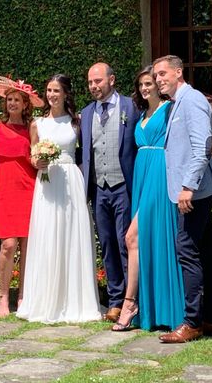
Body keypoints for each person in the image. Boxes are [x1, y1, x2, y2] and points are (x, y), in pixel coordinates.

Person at [152, 55, 212, 343]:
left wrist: (187, 187)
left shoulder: (192, 99)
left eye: (163, 74)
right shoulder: (176, 103)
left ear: (178, 72)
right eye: (156, 75)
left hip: (194, 191)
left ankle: (192, 323)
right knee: (205, 251)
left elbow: (202, 147)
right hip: (194, 189)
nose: (159, 79)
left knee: (187, 250)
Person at [16, 74, 102, 324]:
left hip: (71, 181)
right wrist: (36, 161)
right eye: (48, 90)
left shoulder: (77, 122)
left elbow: (86, 153)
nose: (51, 95)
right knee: (48, 235)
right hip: (47, 183)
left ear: (65, 93)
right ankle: (44, 300)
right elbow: (32, 155)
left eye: (56, 90)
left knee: (71, 235)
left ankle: (75, 301)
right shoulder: (37, 124)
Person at [111, 66, 184, 331]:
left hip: (159, 175)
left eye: (149, 83)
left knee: (133, 237)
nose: (145, 88)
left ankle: (130, 303)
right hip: (142, 176)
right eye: (141, 84)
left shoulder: (169, 110)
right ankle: (149, 307)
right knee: (144, 241)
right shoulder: (142, 114)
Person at [80, 62, 138, 322]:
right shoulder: (86, 114)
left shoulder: (130, 107)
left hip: (123, 186)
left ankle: (132, 298)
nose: (94, 86)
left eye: (98, 81)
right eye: (91, 82)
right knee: (107, 245)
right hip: (99, 189)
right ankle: (115, 300)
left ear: (112, 80)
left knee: (127, 242)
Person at [0, 76, 44, 317]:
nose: (12, 103)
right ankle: (2, 296)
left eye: (17, 100)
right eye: (9, 99)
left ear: (25, 104)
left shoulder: (32, 127)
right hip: (5, 190)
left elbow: (35, 156)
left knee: (27, 246)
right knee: (8, 245)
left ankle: (23, 295)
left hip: (28, 189)